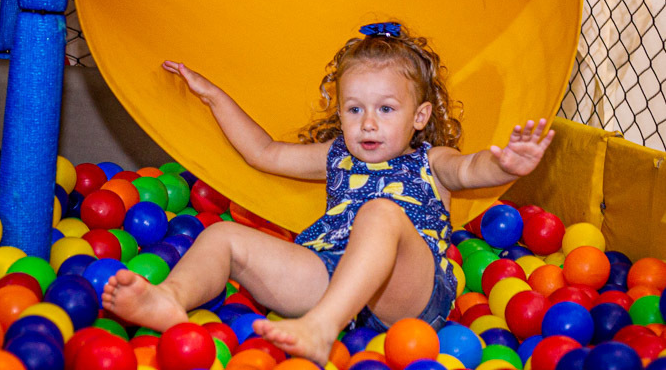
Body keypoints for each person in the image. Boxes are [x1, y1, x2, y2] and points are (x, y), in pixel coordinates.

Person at [102, 21, 555, 364]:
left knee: (379, 214)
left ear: (419, 116)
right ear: (339, 112)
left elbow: (470, 169)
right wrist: (214, 97)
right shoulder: (337, 156)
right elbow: (264, 152)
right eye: (354, 109)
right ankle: (170, 297)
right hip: (329, 275)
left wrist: (501, 164)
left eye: (386, 109)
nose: (368, 123)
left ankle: (321, 328)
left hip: (408, 294)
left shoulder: (431, 160)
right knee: (223, 238)